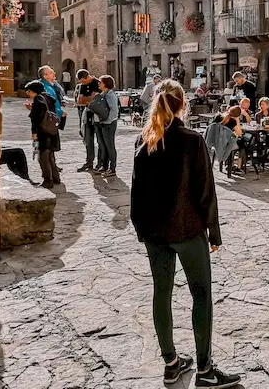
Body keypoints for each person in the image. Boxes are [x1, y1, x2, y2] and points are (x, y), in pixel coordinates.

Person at [131, 80, 241, 389]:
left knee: (161, 293)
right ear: (183, 105)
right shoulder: (192, 140)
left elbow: (136, 189)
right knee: (201, 295)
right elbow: (206, 191)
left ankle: (171, 364)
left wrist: (140, 228)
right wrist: (214, 232)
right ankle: (205, 370)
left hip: (154, 232)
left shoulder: (145, 139)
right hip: (187, 229)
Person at [25, 81, 61, 189]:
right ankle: (56, 178)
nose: (27, 93)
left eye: (29, 91)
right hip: (52, 130)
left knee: (43, 157)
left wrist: (34, 133)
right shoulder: (48, 97)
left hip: (43, 132)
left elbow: (36, 118)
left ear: (34, 91)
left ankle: (48, 180)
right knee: (50, 155)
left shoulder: (38, 100)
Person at [75, 69, 101, 172]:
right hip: (86, 115)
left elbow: (97, 99)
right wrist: (89, 99)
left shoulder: (97, 83)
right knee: (87, 140)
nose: (82, 83)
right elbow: (80, 100)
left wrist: (87, 99)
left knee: (100, 141)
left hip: (97, 116)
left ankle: (100, 163)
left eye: (83, 81)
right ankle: (89, 162)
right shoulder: (82, 86)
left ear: (87, 77)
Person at [95, 75, 120, 177]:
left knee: (109, 146)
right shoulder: (103, 94)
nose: (99, 84)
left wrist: (108, 120)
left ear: (105, 83)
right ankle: (104, 166)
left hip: (108, 124)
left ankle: (112, 168)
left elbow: (114, 110)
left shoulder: (110, 95)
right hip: (101, 123)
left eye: (100, 82)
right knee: (103, 145)